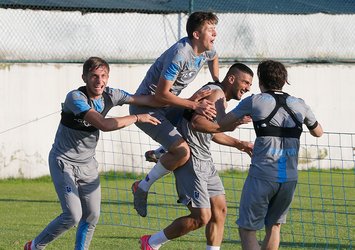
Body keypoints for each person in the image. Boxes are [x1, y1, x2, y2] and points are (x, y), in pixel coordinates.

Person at [24, 57, 161, 250]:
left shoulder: (112, 94)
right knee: (72, 215)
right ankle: (35, 246)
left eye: (103, 76)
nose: (99, 81)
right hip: (63, 162)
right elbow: (103, 125)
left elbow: (144, 99)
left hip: (88, 165)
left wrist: (180, 103)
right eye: (94, 76)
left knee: (92, 215)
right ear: (84, 77)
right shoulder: (75, 98)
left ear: (108, 77)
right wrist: (138, 117)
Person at [139, 63, 254, 250]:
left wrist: (240, 144)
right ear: (231, 79)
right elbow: (197, 123)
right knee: (201, 217)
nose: (248, 88)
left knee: (220, 211)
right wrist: (231, 124)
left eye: (250, 84)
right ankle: (151, 243)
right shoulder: (216, 94)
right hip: (192, 160)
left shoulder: (220, 97)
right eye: (246, 82)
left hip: (205, 159)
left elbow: (212, 132)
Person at [216, 60, 323, 249]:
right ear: (284, 81)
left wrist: (217, 106)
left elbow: (222, 123)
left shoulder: (255, 101)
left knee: (247, 229)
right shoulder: (300, 104)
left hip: (263, 175)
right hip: (289, 178)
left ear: (260, 81)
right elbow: (318, 132)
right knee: (274, 227)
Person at [130, 11, 220, 217]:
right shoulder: (180, 55)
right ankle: (141, 187)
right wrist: (192, 104)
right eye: (210, 29)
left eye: (215, 28)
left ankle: (161, 152)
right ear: (196, 34)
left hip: (166, 107)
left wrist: (216, 80)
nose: (215, 33)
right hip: (147, 108)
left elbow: (214, 57)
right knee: (182, 152)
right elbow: (161, 94)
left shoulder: (206, 50)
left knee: (195, 122)